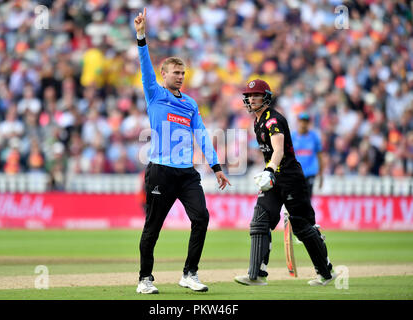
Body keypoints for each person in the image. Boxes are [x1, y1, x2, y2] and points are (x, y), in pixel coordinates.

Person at [134, 8, 231, 294]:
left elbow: (201, 134)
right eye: (176, 73)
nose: (180, 76)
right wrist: (141, 36)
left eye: (183, 73)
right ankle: (145, 279)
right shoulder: (154, 93)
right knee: (153, 227)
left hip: (186, 173)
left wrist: (216, 168)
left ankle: (189, 273)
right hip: (160, 172)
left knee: (201, 218)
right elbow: (144, 65)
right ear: (163, 74)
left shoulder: (189, 104)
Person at [234, 79, 336, 286]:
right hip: (274, 177)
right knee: (260, 221)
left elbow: (279, 150)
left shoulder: (273, 120)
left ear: (266, 98)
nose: (252, 99)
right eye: (249, 96)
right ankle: (256, 274)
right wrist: (269, 172)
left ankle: (326, 272)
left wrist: (269, 170)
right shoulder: (257, 121)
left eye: (256, 95)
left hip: (290, 178)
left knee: (303, 227)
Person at [291, 112, 324, 198]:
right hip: (296, 173)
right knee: (296, 198)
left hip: (310, 172)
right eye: (302, 121)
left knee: (307, 198)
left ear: (309, 123)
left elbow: (320, 155)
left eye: (306, 121)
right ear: (298, 121)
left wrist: (321, 174)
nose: (303, 124)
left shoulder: (314, 137)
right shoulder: (292, 136)